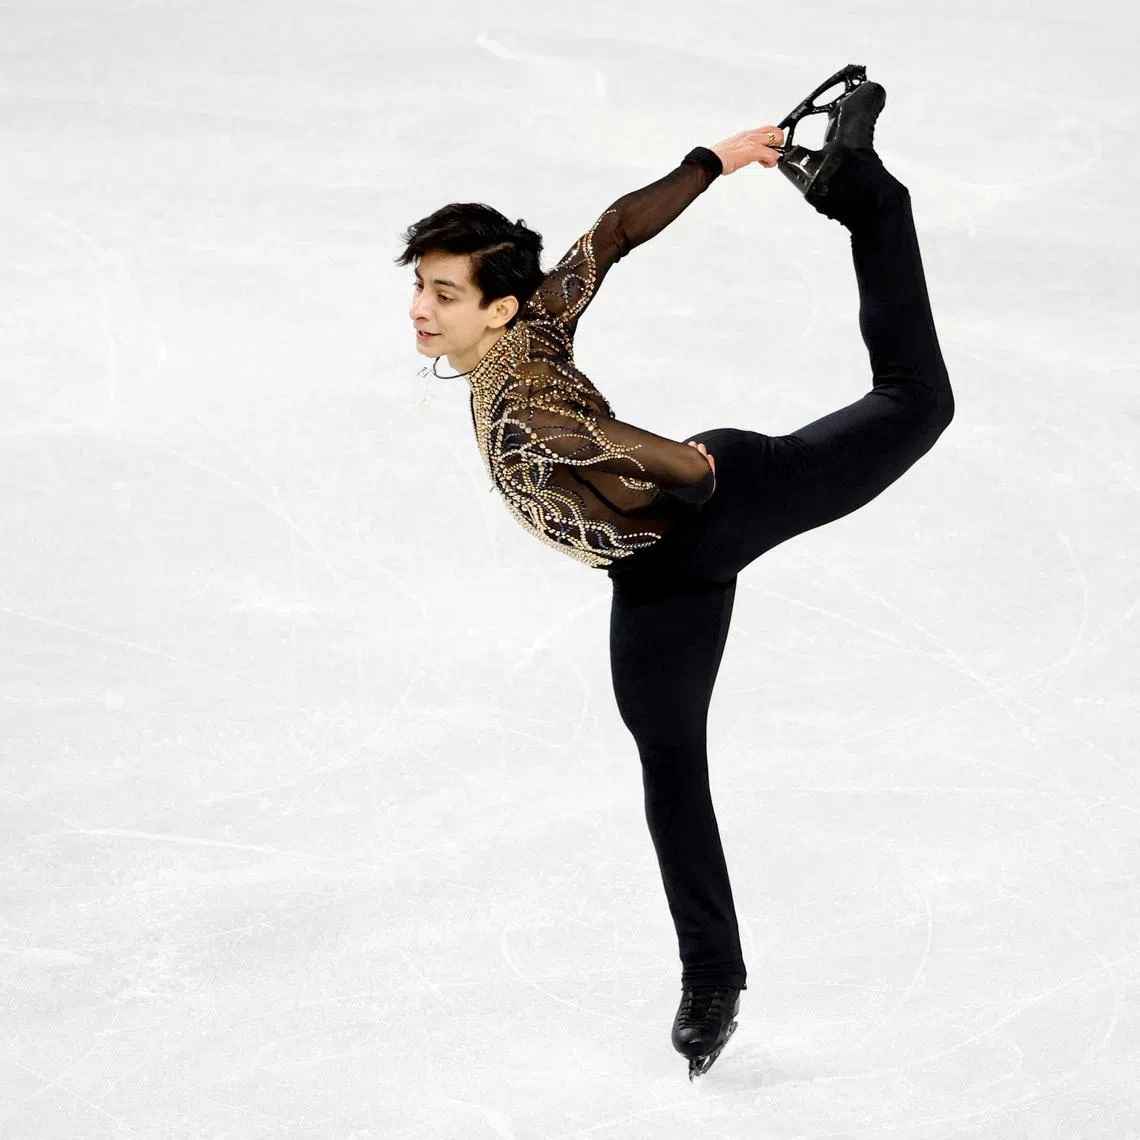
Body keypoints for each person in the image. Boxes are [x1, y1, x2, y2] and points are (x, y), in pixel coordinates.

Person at [397, 66, 954, 1078]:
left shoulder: (538, 409)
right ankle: (714, 976)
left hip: (721, 502)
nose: (422, 311)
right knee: (669, 758)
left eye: (442, 293)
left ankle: (872, 197)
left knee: (919, 401)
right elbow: (609, 233)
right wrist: (713, 160)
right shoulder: (530, 326)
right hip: (655, 578)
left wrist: (680, 469)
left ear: (499, 304)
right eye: (421, 289)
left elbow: (674, 470)